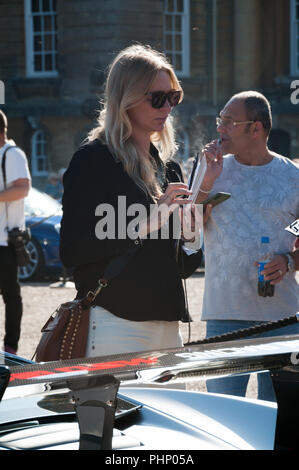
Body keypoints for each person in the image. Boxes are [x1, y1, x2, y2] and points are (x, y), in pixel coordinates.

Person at [59, 44, 202, 358]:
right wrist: (144, 224)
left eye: (173, 97)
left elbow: (181, 265)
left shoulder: (169, 169)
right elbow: (72, 250)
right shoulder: (93, 160)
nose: (167, 107)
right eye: (157, 98)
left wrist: (192, 234)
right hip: (115, 324)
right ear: (126, 99)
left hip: (168, 328)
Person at [196, 91, 299, 401]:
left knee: (279, 423)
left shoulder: (292, 178)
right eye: (220, 121)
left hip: (282, 319)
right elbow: (186, 231)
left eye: (229, 122)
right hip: (224, 316)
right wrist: (206, 184)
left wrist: (289, 261)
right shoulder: (208, 170)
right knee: (224, 416)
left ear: (256, 128)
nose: (220, 129)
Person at [0, 110, 31, 355]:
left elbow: (22, 188)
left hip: (5, 239)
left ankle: (10, 348)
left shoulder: (12, 154)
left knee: (11, 295)